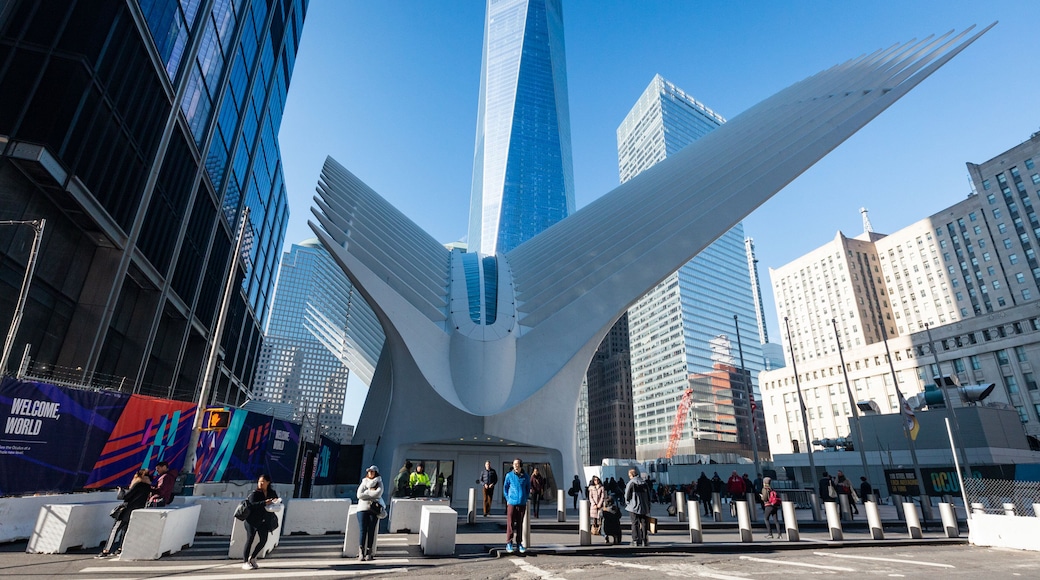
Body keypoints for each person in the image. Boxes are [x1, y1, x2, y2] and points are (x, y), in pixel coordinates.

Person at [97, 469, 151, 558]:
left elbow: (125, 496)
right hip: (135, 511)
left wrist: (121, 491)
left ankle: (106, 550)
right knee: (125, 530)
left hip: (126, 510)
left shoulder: (138, 484)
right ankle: (120, 548)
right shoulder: (147, 487)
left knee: (115, 529)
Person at [241, 473, 278, 570]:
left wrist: (276, 501)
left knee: (263, 540)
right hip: (251, 520)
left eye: (263, 482)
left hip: (264, 520)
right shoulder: (255, 493)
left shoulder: (271, 492)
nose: (260, 484)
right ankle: (245, 562)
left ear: (268, 482)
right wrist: (264, 502)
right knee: (250, 539)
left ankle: (253, 558)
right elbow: (251, 505)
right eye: (259, 482)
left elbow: (276, 501)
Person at [356, 465, 383, 561]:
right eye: (369, 471)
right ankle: (361, 552)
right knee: (362, 530)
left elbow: (378, 494)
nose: (370, 473)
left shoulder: (379, 482)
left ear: (376, 473)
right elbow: (359, 495)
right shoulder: (364, 482)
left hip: (373, 509)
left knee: (371, 530)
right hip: (362, 508)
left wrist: (366, 493)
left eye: (372, 471)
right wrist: (371, 494)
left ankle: (369, 552)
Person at [502, 457, 530, 554]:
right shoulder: (509, 475)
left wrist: (525, 498)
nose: (515, 466)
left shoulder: (526, 476)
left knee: (519, 524)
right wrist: (508, 499)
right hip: (512, 502)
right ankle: (509, 542)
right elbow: (505, 488)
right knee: (510, 523)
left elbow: (528, 488)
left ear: (520, 465)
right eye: (514, 464)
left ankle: (519, 543)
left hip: (522, 503)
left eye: (517, 464)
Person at [624, 468, 651, 547]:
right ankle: (644, 540)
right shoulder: (644, 483)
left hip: (633, 506)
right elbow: (649, 495)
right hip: (644, 506)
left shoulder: (631, 483)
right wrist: (648, 505)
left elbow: (627, 496)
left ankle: (635, 540)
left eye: (629, 476)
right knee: (644, 523)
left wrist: (628, 503)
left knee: (634, 523)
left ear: (631, 475)